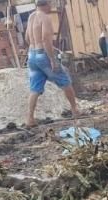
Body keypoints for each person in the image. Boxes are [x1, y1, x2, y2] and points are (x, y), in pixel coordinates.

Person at [25, 0, 79, 128]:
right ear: (46, 5)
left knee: (35, 88)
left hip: (31, 55)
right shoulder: (45, 18)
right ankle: (75, 110)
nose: (51, 7)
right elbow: (45, 39)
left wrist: (35, 48)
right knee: (65, 80)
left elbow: (27, 38)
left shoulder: (31, 16)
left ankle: (30, 118)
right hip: (43, 55)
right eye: (50, 4)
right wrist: (52, 59)